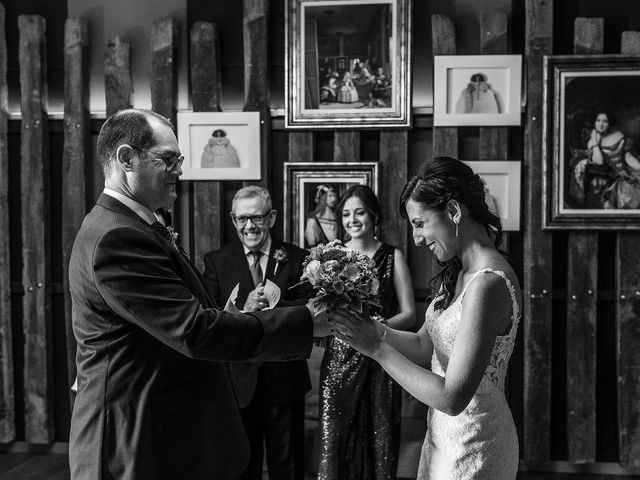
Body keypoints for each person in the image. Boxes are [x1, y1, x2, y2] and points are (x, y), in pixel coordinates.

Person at [68, 109, 330, 480]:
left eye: (181, 160)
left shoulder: (132, 226)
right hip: (133, 438)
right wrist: (307, 320)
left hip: (162, 428)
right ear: (127, 158)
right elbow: (193, 330)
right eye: (168, 159)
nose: (179, 170)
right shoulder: (116, 237)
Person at [330, 157, 521, 479]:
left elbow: (452, 398)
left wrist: (376, 349)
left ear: (454, 212)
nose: (417, 239)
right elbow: (421, 345)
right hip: (443, 436)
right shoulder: (461, 272)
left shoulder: (488, 283)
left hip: (475, 440)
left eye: (419, 223)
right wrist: (366, 328)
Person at [202, 186, 313, 480]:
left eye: (256, 218)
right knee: (242, 466)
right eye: (241, 219)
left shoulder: (297, 258)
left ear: (272, 217)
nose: (248, 226)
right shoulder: (217, 261)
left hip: (285, 378)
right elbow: (208, 318)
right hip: (238, 382)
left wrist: (272, 307)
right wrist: (244, 310)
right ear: (232, 219)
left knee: (287, 466)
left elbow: (310, 310)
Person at [318, 185, 416, 480]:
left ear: (373, 215)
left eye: (359, 212)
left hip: (380, 359)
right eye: (346, 214)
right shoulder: (331, 257)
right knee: (334, 435)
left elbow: (410, 313)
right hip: (339, 359)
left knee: (381, 434)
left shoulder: (392, 255)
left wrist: (377, 329)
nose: (353, 219)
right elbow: (320, 311)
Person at [582, 111, 640, 209]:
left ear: (610, 123)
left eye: (605, 121)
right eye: (598, 120)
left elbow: (627, 156)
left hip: (626, 172)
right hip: (610, 178)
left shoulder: (619, 135)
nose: (601, 124)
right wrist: (595, 143)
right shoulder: (592, 142)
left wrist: (639, 166)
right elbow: (599, 162)